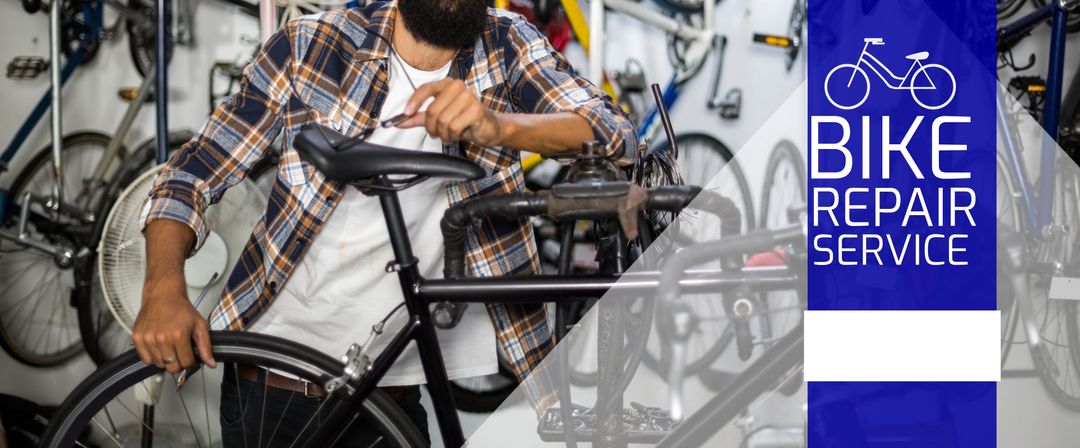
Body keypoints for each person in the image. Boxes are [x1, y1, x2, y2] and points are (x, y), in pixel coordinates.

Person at [131, 0, 634, 444]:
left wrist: (498, 126)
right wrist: (161, 289)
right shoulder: (311, 45)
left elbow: (612, 131)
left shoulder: (507, 43)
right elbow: (192, 173)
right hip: (275, 386)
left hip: (394, 393)